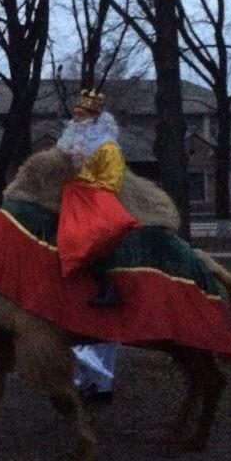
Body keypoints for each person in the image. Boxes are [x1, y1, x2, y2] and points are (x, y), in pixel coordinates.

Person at [55, 88, 140, 308]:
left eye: (81, 115)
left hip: (94, 199)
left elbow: (111, 181)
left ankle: (108, 285)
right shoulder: (67, 143)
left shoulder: (108, 147)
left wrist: (84, 187)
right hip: (68, 194)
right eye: (75, 114)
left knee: (86, 235)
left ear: (94, 119)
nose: (76, 118)